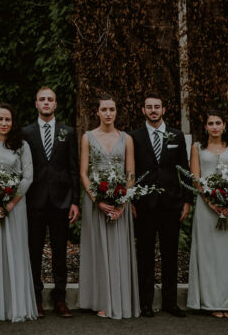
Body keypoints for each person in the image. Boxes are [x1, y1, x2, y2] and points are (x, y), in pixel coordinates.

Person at [78, 92, 140, 319]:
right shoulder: (87, 137)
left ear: (116, 112)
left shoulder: (127, 139)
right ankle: (100, 299)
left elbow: (130, 173)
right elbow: (83, 173)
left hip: (120, 201)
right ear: (97, 112)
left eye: (111, 109)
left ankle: (119, 300)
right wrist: (97, 200)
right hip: (96, 202)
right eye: (103, 109)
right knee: (98, 251)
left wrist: (123, 201)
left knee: (117, 251)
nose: (108, 113)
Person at [129, 93, 190, 317]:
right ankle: (145, 303)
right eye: (149, 107)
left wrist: (186, 200)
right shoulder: (134, 137)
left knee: (170, 255)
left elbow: (184, 169)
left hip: (171, 204)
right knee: (145, 255)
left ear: (164, 110)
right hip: (144, 205)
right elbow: (131, 171)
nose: (153, 110)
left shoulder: (176, 135)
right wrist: (132, 200)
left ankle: (170, 302)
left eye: (157, 106)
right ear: (143, 110)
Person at [21, 86, 79, 317]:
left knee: (59, 253)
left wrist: (75, 201)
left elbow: (73, 168)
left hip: (61, 200)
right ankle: (35, 298)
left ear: (56, 104)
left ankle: (60, 299)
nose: (46, 103)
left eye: (50, 100)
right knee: (33, 251)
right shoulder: (26, 133)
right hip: (34, 201)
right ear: (36, 104)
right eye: (42, 99)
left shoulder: (68, 132)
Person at [0, 103, 38, 322]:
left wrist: (11, 203)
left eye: (8, 119)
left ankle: (15, 305)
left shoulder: (21, 146)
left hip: (15, 205)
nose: (3, 123)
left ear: (13, 123)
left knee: (14, 251)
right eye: (0, 119)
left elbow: (28, 176)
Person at [186, 111, 228, 318]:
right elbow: (195, 177)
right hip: (206, 207)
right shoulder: (197, 148)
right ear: (205, 127)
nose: (214, 127)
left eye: (218, 123)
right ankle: (211, 301)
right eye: (210, 123)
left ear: (224, 125)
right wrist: (210, 201)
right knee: (209, 255)